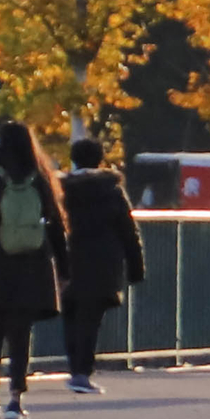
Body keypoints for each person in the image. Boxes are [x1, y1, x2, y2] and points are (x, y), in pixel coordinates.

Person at [0, 121, 69, 419]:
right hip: (30, 263)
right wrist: (64, 265)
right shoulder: (39, 178)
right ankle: (16, 397)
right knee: (20, 333)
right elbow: (56, 224)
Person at [58, 138, 145, 395]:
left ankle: (75, 368)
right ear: (100, 159)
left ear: (73, 159)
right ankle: (82, 372)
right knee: (90, 319)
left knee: (71, 316)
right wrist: (135, 266)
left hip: (68, 260)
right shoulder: (111, 189)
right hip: (102, 263)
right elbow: (128, 231)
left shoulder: (61, 189)